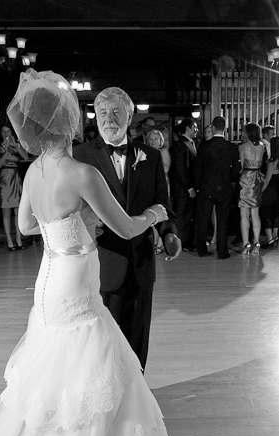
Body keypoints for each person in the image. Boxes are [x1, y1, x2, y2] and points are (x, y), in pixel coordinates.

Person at [0, 69, 198, 436]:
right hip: (76, 283)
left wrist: (70, 225)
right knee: (97, 368)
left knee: (53, 371)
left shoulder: (34, 171)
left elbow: (28, 227)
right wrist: (153, 214)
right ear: (69, 122)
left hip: (49, 278)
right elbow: (126, 227)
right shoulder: (83, 172)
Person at [73, 87, 182, 370]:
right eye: (103, 113)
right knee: (102, 342)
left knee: (137, 337)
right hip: (100, 261)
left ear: (130, 115)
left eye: (116, 112)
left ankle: (137, 396)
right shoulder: (80, 157)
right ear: (95, 117)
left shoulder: (151, 156)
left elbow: (162, 203)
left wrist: (169, 232)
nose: (109, 119)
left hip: (140, 260)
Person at [193, 116, 241, 259]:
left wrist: (197, 186)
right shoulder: (231, 147)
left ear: (213, 128)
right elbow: (236, 169)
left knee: (203, 219)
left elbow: (197, 169)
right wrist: (230, 180)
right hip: (224, 188)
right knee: (223, 220)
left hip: (206, 187)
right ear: (225, 129)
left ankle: (201, 250)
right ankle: (222, 251)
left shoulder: (204, 146)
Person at [0, 123, 29, 250]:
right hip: (4, 177)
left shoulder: (16, 145)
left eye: (8, 131)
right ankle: (9, 240)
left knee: (18, 210)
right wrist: (6, 151)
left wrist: (16, 147)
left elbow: (25, 157)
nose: (6, 134)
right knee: (6, 210)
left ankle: (19, 239)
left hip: (16, 177)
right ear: (0, 134)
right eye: (4, 132)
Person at [169, 118, 198, 251]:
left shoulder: (189, 143)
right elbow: (181, 168)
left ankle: (186, 242)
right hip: (182, 189)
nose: (196, 130)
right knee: (181, 216)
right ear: (188, 128)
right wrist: (189, 187)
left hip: (186, 187)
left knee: (187, 216)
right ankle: (180, 242)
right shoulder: (181, 144)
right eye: (195, 127)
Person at [238, 122, 266, 255]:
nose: (242, 133)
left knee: (244, 214)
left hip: (245, 179)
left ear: (248, 132)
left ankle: (245, 244)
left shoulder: (242, 147)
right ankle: (257, 242)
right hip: (257, 178)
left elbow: (241, 167)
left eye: (243, 131)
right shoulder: (262, 146)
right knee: (256, 214)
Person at [146, 129, 172, 254]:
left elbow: (166, 168)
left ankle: (160, 244)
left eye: (156, 139)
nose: (153, 142)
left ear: (161, 141)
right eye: (151, 139)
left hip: (161, 184)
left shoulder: (163, 151)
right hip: (149, 185)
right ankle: (154, 242)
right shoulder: (146, 152)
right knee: (151, 211)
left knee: (161, 211)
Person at [260, 136, 279, 248]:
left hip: (269, 190)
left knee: (266, 213)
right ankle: (275, 236)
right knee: (275, 212)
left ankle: (269, 238)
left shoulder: (272, 162)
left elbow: (267, 180)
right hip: (276, 189)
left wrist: (260, 191)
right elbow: (278, 176)